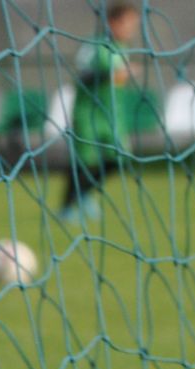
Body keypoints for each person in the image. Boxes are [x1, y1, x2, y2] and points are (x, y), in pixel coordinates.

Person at [58, 2, 140, 224]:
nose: (131, 30)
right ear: (113, 22)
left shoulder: (122, 47)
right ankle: (66, 207)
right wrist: (113, 73)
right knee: (85, 162)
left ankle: (84, 194)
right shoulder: (94, 46)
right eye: (128, 24)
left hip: (113, 115)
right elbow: (84, 74)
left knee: (118, 159)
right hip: (88, 113)